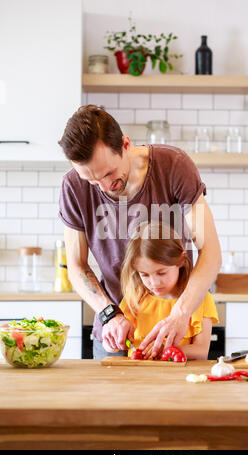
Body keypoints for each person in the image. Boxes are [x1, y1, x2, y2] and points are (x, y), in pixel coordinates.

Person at [58, 105, 222, 359]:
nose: (104, 187)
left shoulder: (174, 166)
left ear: (125, 144)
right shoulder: (72, 186)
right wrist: (110, 314)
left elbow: (210, 251)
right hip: (116, 334)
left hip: (175, 327)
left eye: (109, 173)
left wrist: (180, 314)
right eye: (91, 181)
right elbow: (77, 267)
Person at [103, 220, 219, 360]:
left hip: (179, 378)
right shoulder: (135, 296)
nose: (154, 282)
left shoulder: (201, 299)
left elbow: (201, 351)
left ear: (181, 261)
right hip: (138, 378)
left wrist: (167, 350)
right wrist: (111, 342)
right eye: (144, 275)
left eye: (162, 273)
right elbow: (114, 345)